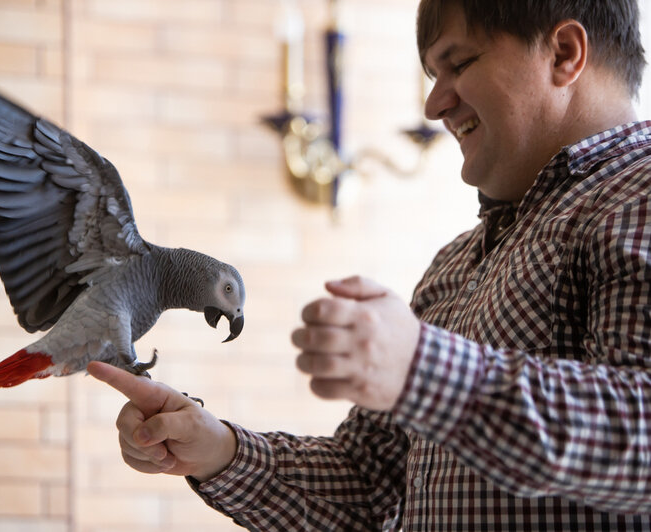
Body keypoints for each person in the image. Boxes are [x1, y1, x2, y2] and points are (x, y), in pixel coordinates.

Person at [88, 0, 651, 529]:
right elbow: (367, 482)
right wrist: (218, 450)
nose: (433, 105)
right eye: (433, 77)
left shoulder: (639, 197)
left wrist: (425, 369)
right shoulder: (454, 266)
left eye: (457, 64)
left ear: (564, 54)